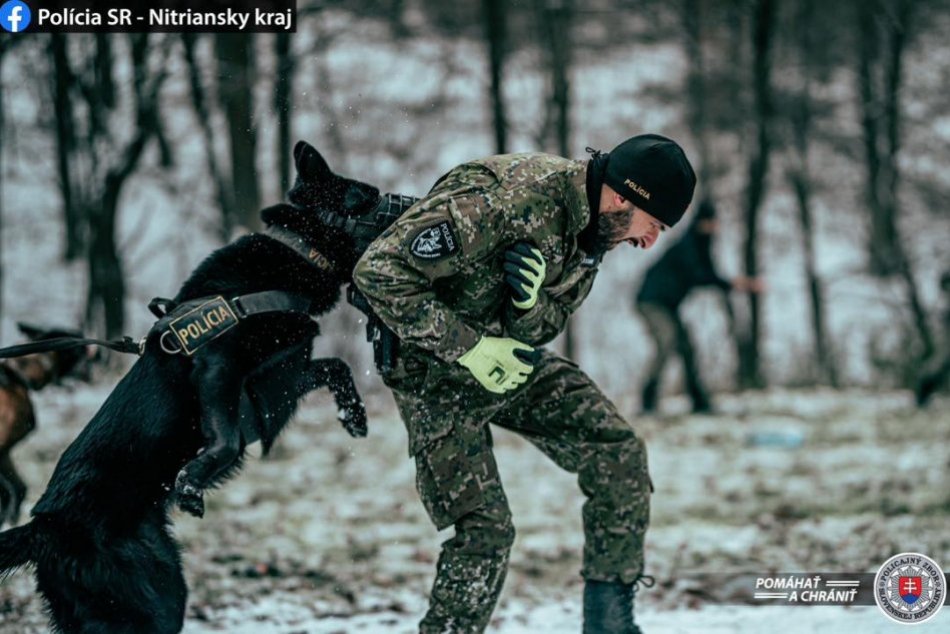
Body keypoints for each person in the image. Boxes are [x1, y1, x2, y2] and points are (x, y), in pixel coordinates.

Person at [353, 134, 696, 634]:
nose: (649, 242)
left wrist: (528, 305)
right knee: (485, 531)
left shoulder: (596, 231)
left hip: (507, 362)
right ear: (625, 195)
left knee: (616, 450)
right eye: (654, 224)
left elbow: (546, 326)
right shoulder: (510, 200)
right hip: (434, 376)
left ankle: (609, 624)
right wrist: (469, 348)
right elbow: (379, 271)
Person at [634, 199, 762, 414]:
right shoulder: (689, 244)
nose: (714, 227)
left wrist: (733, 284)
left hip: (669, 304)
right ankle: (647, 401)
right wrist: (734, 283)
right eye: (711, 222)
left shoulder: (703, 244)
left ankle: (699, 402)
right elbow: (699, 275)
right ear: (702, 222)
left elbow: (708, 274)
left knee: (687, 348)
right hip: (652, 301)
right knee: (667, 342)